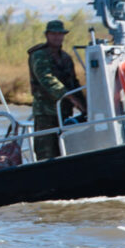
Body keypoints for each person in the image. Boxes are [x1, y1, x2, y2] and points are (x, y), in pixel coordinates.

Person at [28, 18, 83, 159]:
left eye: (60, 34)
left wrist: (84, 105)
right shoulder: (39, 55)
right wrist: (70, 97)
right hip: (46, 112)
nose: (57, 37)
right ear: (47, 35)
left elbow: (73, 83)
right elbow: (47, 80)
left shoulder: (66, 58)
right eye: (53, 34)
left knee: (65, 150)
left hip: (63, 113)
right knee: (46, 153)